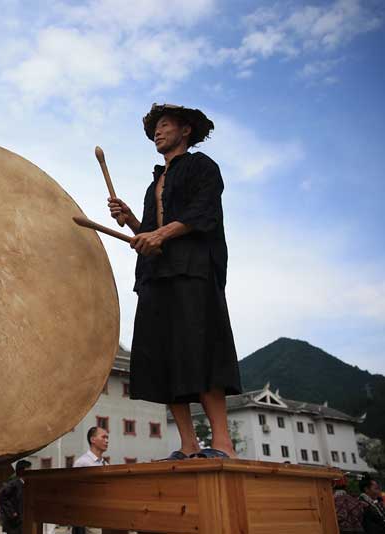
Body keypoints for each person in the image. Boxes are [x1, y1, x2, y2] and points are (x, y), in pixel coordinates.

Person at [108, 103, 241, 460]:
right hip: (157, 275)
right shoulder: (155, 183)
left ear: (185, 130)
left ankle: (223, 444)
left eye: (165, 125)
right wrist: (133, 222)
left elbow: (204, 213)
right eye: (155, 128)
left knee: (202, 349)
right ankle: (187, 444)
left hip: (193, 269)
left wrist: (160, 235)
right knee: (163, 355)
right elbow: (149, 237)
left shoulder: (202, 167)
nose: (158, 132)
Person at [0, 460, 31, 534]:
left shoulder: (26, 484)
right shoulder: (13, 484)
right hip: (13, 522)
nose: (30, 471)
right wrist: (12, 512)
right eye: (28, 469)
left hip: (22, 521)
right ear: (21, 470)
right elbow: (1, 497)